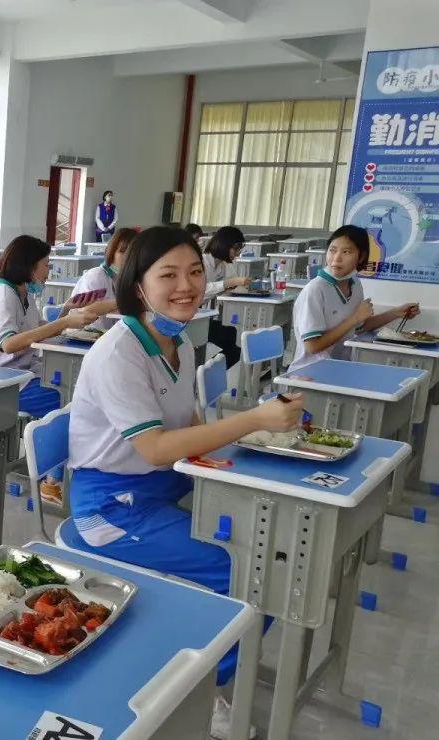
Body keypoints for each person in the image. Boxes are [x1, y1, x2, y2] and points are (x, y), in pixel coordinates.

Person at [61, 226, 303, 734]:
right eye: (167, 275)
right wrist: (254, 420)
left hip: (168, 483)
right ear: (138, 286)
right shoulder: (119, 353)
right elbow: (153, 447)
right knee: (246, 570)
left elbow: (190, 428)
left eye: (194, 271)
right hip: (109, 505)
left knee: (273, 550)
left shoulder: (179, 343)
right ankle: (199, 684)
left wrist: (256, 450)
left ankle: (196, 661)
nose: (186, 285)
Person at [0, 235, 98, 415]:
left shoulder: (23, 292)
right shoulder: (4, 296)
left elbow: (39, 330)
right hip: (2, 382)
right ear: (29, 267)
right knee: (71, 397)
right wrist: (65, 321)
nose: (49, 272)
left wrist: (66, 310)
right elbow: (8, 344)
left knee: (80, 384)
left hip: (24, 372)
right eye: (46, 265)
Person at [287, 224, 418, 374]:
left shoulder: (355, 284)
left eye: (346, 252)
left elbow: (359, 327)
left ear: (361, 256)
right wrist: (354, 318)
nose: (336, 258)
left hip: (341, 367)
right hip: (310, 372)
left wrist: (396, 313)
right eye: (332, 250)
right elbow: (313, 346)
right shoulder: (315, 289)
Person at [68, 227, 138, 331]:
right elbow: (88, 314)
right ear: (112, 252)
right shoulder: (96, 276)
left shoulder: (131, 280)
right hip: (84, 336)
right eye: (123, 252)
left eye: (133, 254)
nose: (127, 258)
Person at [202, 226, 253, 368]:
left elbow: (235, 284)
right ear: (224, 245)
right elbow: (199, 292)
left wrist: (242, 287)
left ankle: (205, 373)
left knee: (236, 340)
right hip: (193, 318)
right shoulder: (201, 262)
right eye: (235, 249)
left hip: (206, 316)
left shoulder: (225, 265)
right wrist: (228, 283)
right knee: (233, 341)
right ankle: (204, 374)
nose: (236, 254)